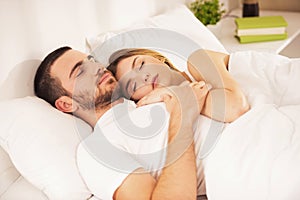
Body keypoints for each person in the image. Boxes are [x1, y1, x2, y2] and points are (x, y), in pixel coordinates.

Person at [34, 46, 212, 200]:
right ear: (67, 104)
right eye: (80, 72)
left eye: (92, 60)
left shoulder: (149, 91)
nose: (97, 68)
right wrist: (182, 117)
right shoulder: (96, 149)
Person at [107, 48, 250, 123]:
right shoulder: (168, 113)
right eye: (134, 86)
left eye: (141, 64)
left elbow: (236, 107)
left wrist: (175, 93)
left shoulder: (197, 61)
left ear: (158, 58)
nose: (144, 77)